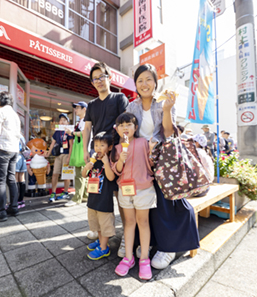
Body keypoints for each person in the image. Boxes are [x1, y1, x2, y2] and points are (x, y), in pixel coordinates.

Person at [126, 63, 199, 270]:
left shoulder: (165, 102)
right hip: (141, 162)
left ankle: (169, 247)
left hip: (163, 161)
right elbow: (129, 132)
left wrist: (167, 110)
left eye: (148, 79)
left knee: (167, 202)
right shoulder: (132, 106)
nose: (144, 84)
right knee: (145, 204)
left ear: (155, 82)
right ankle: (148, 243)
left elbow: (169, 133)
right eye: (140, 80)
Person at [82, 62, 129, 243]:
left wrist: (125, 148)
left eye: (102, 76)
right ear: (92, 83)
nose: (99, 81)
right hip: (98, 155)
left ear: (109, 77)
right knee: (99, 192)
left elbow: (126, 124)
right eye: (95, 79)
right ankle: (100, 232)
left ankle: (127, 233)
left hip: (116, 154)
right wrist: (87, 150)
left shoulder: (119, 98)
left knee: (120, 195)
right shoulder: (91, 105)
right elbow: (87, 129)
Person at [111, 113, 157, 280]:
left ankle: (144, 258)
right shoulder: (116, 148)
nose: (125, 128)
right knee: (129, 223)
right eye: (121, 125)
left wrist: (152, 150)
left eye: (129, 124)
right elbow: (116, 170)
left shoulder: (143, 142)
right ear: (117, 129)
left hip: (143, 189)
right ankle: (128, 258)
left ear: (135, 128)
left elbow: (152, 163)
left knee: (143, 222)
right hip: (125, 189)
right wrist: (121, 160)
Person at [0, 91, 21, 222]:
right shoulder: (15, 114)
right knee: (11, 179)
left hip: (2, 148)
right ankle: (13, 207)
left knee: (0, 180)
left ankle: (0, 211)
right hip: (14, 149)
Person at [83, 132, 118, 260]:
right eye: (96, 145)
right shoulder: (94, 161)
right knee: (97, 224)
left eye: (102, 145)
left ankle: (104, 248)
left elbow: (111, 177)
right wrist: (87, 167)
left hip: (104, 202)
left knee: (105, 225)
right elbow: (83, 174)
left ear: (109, 147)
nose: (98, 148)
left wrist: (106, 163)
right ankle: (100, 241)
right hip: (93, 200)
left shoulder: (110, 161)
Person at [65, 101, 89, 207]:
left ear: (84, 109)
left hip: (83, 150)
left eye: (78, 108)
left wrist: (71, 133)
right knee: (84, 174)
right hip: (83, 150)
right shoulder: (82, 121)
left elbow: (84, 133)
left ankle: (77, 198)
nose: (75, 110)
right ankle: (84, 195)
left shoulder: (85, 121)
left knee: (79, 174)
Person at [47, 113, 74, 202]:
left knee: (67, 174)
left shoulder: (69, 131)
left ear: (67, 122)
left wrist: (69, 157)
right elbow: (52, 143)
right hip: (58, 155)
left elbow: (71, 145)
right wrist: (48, 153)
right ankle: (53, 193)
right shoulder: (57, 131)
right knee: (55, 173)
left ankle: (65, 192)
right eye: (61, 120)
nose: (62, 122)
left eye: (64, 120)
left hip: (66, 154)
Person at [14, 122, 27, 208]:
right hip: (22, 157)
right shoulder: (21, 135)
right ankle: (21, 200)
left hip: (16, 156)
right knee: (21, 178)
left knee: (15, 178)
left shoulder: (14, 134)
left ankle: (15, 201)